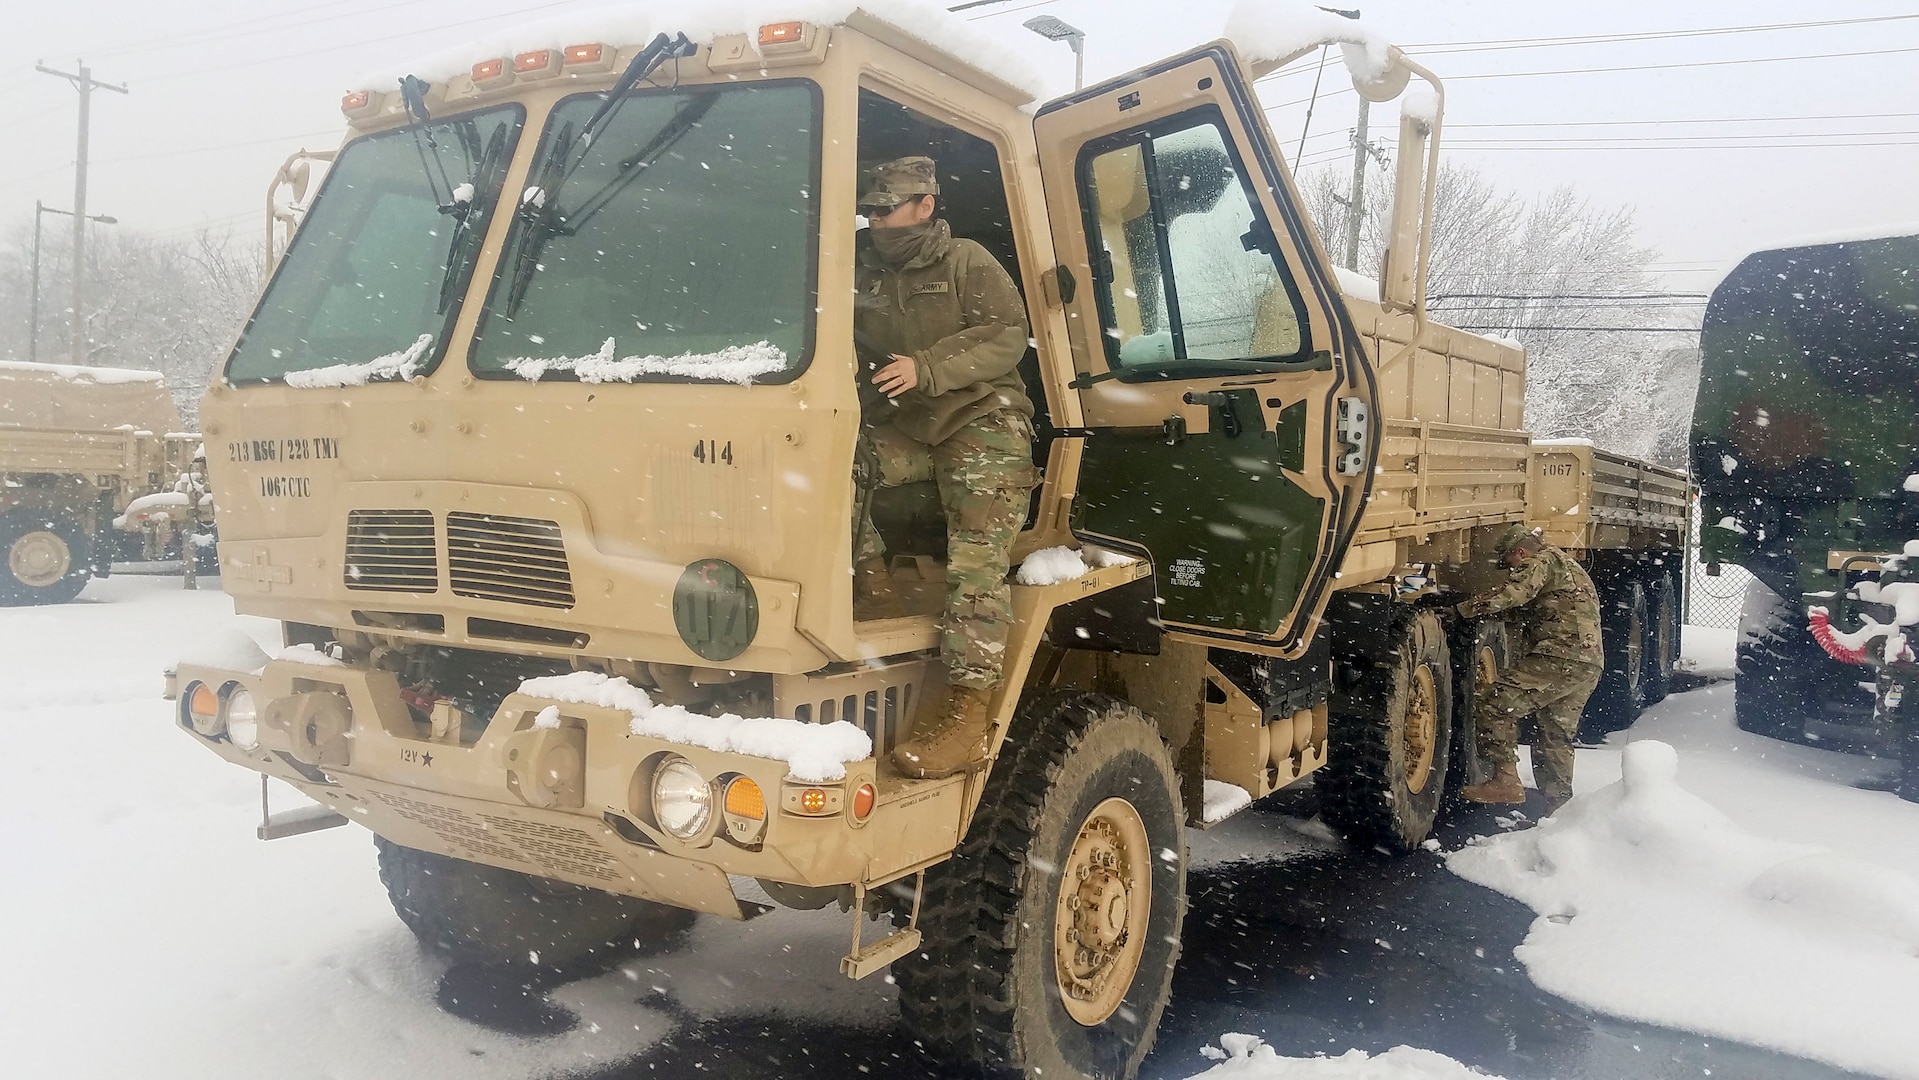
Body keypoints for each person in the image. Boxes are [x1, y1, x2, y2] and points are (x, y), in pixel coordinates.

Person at [850, 155, 1036, 780]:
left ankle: (968, 709)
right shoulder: (858, 265)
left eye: (888, 208)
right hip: (906, 420)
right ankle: (868, 571)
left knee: (978, 553)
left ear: (926, 205)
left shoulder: (967, 262)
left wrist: (928, 366)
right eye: (870, 210)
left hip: (980, 414)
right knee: (833, 459)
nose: (877, 220)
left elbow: (1006, 335)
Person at [1454, 523, 1605, 812]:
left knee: (1494, 704)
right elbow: (1532, 608)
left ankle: (1505, 780)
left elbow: (1512, 594)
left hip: (1559, 657)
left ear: (1520, 552)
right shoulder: (1568, 567)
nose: (1510, 571)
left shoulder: (1540, 561)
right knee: (1554, 735)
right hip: (1588, 663)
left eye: (1510, 564)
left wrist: (1460, 611)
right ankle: (1559, 810)